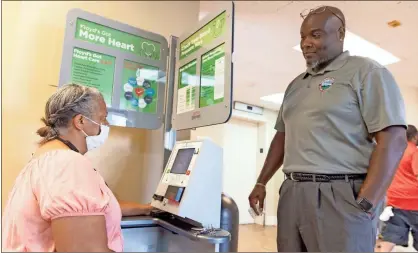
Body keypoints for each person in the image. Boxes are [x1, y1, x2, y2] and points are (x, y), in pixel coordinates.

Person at [248, 5, 408, 252]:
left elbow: (394, 138)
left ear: (340, 34)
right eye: (302, 37)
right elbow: (282, 136)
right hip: (292, 192)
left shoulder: (366, 71)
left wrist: (367, 201)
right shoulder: (295, 85)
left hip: (341, 194)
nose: (306, 43)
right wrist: (261, 182)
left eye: (316, 34)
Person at [2, 84, 153, 252]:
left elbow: (91, 209)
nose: (106, 125)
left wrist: (147, 208)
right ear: (80, 121)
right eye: (103, 119)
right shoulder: (67, 164)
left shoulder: (46, 158)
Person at [375, 125, 418, 252]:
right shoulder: (414, 152)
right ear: (415, 137)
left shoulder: (393, 151)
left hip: (394, 201)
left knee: (389, 238)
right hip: (414, 201)